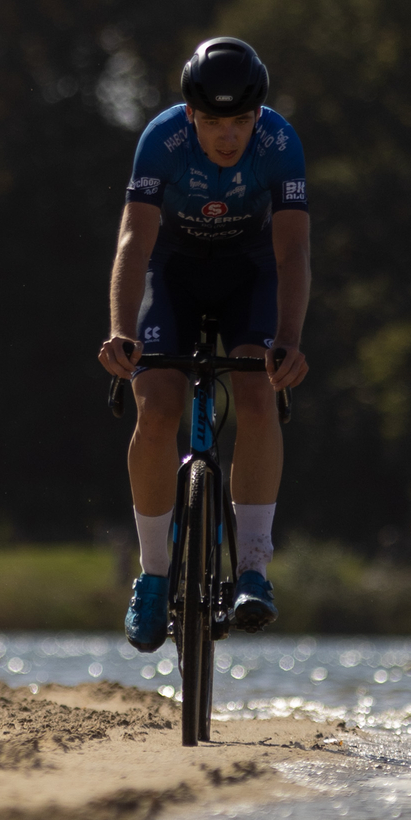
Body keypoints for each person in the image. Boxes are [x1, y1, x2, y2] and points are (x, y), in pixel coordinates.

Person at [97, 36, 310, 653]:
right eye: (214, 122)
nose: (228, 135)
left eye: (240, 120)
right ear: (190, 114)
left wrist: (289, 341)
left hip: (250, 274)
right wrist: (121, 331)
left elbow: (292, 252)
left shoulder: (280, 144)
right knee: (158, 408)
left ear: (257, 115)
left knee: (257, 395)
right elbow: (134, 241)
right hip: (173, 273)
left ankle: (253, 570)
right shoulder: (161, 140)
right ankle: (153, 578)